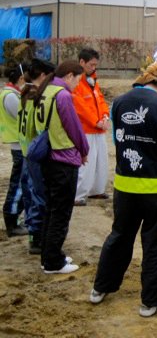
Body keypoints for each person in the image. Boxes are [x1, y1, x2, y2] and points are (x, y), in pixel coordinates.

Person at [89, 61, 157, 316]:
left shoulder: (119, 102)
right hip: (156, 187)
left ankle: (101, 287)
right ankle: (153, 300)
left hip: (124, 185)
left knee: (119, 235)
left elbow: (116, 140)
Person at [36, 61, 89, 274]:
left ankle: (49, 254)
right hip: (63, 157)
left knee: (51, 207)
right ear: (69, 75)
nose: (78, 84)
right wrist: (83, 149)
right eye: (78, 79)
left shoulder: (46, 90)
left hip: (47, 155)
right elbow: (74, 128)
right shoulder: (63, 96)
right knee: (61, 211)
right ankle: (53, 262)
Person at [18, 58, 56, 254]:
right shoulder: (35, 97)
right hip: (35, 154)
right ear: (42, 76)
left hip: (25, 151)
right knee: (39, 195)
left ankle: (34, 232)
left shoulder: (23, 94)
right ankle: (37, 235)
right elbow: (39, 128)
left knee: (30, 193)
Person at [72, 48, 110, 206]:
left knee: (101, 161)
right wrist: (96, 121)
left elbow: (100, 101)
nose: (94, 67)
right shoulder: (76, 82)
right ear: (82, 62)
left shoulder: (93, 81)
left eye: (95, 64)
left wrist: (105, 116)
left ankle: (96, 189)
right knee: (86, 163)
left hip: (99, 128)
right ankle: (78, 194)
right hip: (86, 129)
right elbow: (79, 106)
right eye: (91, 64)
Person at [1, 63, 28, 237]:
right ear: (21, 79)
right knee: (17, 185)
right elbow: (23, 116)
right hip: (19, 145)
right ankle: (11, 220)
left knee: (21, 183)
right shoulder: (11, 96)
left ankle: (14, 218)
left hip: (21, 144)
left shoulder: (12, 94)